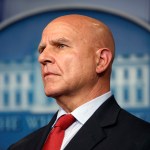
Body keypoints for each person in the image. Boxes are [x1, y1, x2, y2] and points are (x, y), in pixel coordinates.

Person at [8, 14, 150, 150]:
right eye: (42, 49)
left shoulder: (143, 140)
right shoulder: (20, 147)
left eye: (61, 45)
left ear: (101, 61)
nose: (42, 58)